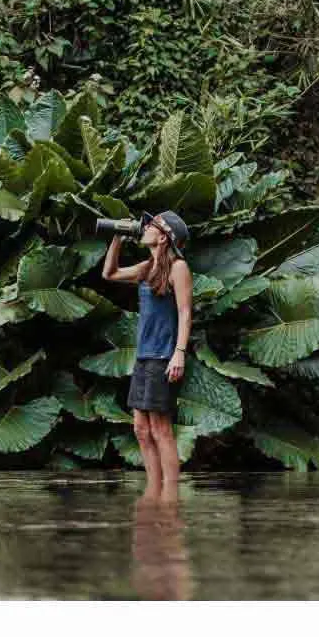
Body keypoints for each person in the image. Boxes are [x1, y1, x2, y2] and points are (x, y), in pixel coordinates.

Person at [101, 210, 193, 500]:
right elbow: (109, 274)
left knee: (160, 427)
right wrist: (117, 237)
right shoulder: (146, 267)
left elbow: (185, 312)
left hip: (163, 355)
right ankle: (153, 491)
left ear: (164, 237)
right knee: (141, 428)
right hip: (143, 356)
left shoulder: (178, 268)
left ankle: (171, 497)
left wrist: (179, 353)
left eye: (151, 226)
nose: (145, 228)